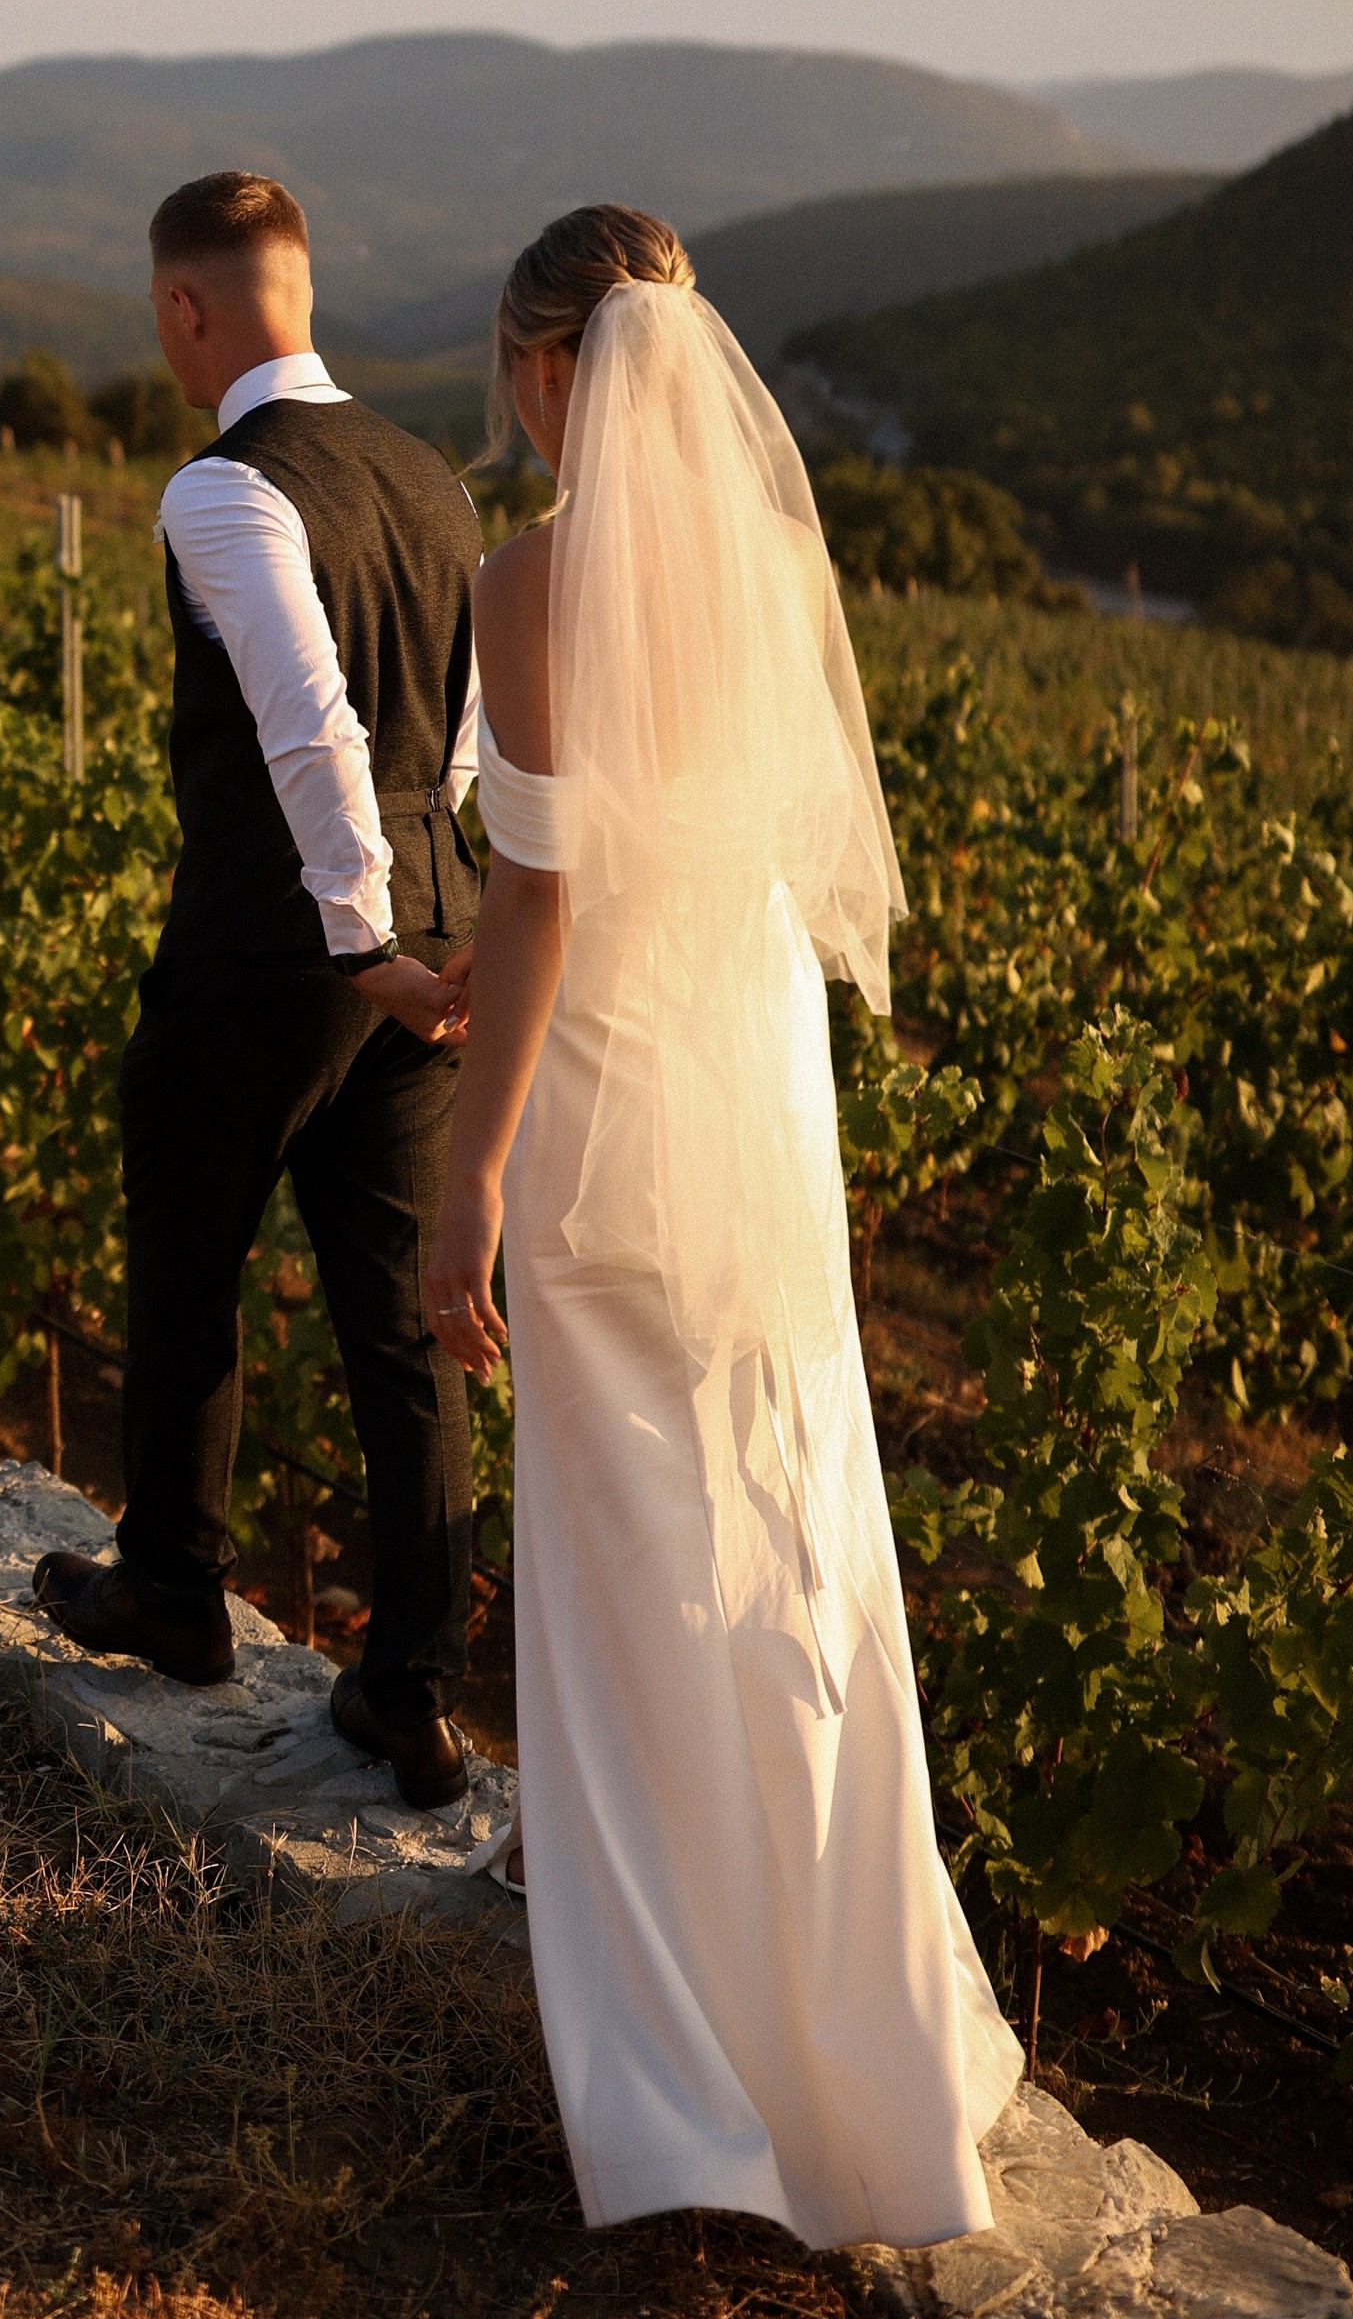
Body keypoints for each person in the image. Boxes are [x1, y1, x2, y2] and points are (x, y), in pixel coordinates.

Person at [422, 204, 1021, 2248]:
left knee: (629, 1570)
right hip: (755, 1088)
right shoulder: (775, 566)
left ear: (536, 370)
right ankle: (864, 2052)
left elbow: (534, 906)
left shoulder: (522, 584)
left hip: (601, 1097)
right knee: (789, 1529)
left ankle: (681, 2090)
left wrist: (472, 1168)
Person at [35, 170, 487, 1809]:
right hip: (440, 930)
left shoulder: (223, 491)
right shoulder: (432, 478)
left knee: (191, 1242)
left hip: (285, 942)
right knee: (399, 1315)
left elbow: (313, 727)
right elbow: (463, 732)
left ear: (186, 309)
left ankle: (175, 1590)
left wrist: (355, 939)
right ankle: (415, 1689)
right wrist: (442, 933)